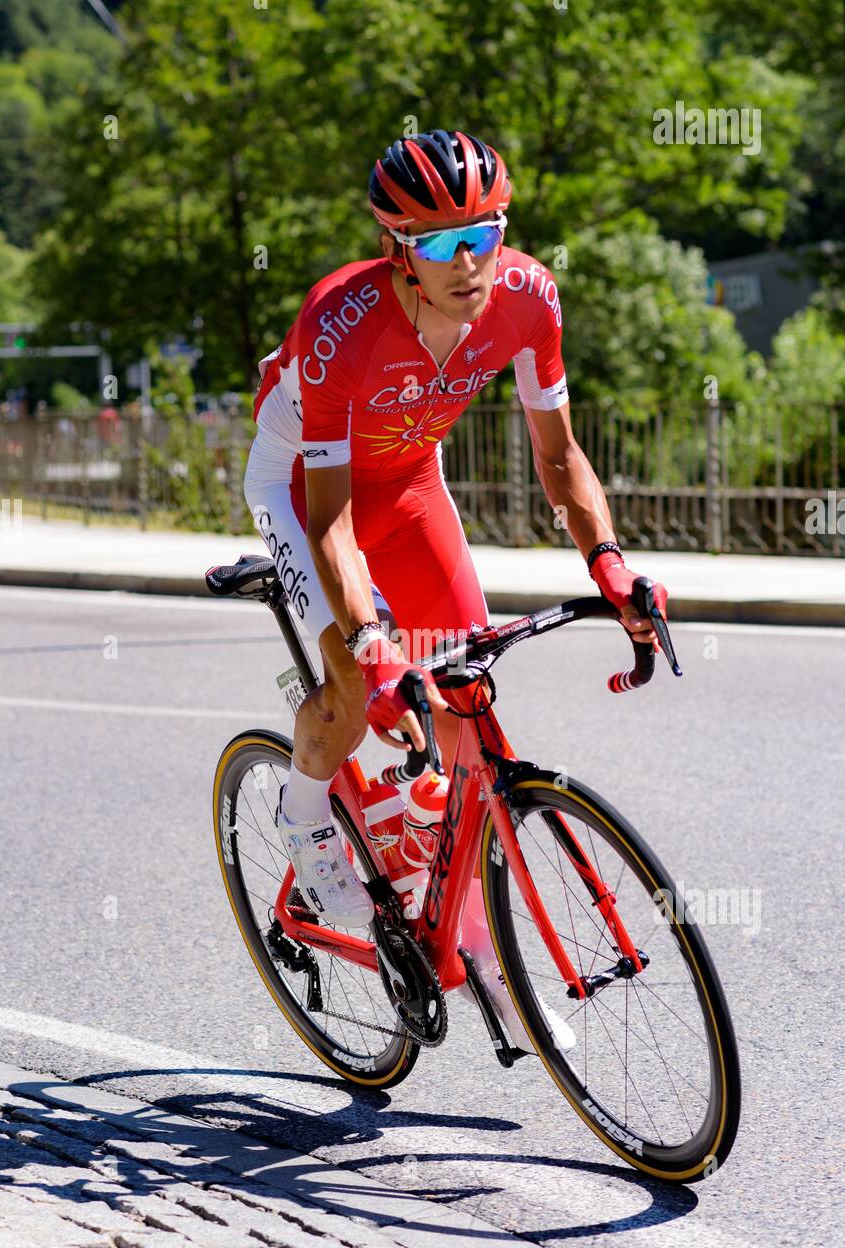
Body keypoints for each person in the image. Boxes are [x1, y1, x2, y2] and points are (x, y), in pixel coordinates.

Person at [244, 129, 667, 951]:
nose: (467, 261)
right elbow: (330, 520)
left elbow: (560, 455)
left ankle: (469, 943)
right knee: (354, 680)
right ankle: (303, 816)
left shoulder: (529, 297)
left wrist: (609, 563)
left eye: (484, 232)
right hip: (302, 488)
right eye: (440, 242)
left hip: (407, 480)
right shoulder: (340, 324)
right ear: (395, 249)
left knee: (463, 690)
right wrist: (372, 644)